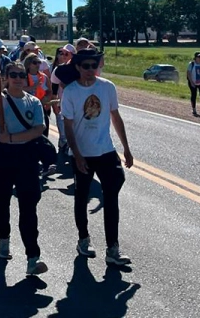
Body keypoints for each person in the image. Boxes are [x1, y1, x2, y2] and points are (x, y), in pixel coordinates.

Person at [61, 48, 133, 266]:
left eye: (95, 65)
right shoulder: (71, 92)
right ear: (78, 67)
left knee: (112, 196)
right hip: (82, 154)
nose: (91, 70)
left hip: (105, 151)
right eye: (86, 66)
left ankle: (113, 248)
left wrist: (126, 148)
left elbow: (115, 116)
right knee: (82, 196)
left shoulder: (107, 87)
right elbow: (68, 126)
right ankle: (83, 239)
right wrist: (78, 154)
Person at [0, 50, 49, 276]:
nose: (18, 79)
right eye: (13, 75)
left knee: (28, 207)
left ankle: (32, 256)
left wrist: (12, 138)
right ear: (6, 77)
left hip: (26, 157)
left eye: (21, 75)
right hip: (2, 156)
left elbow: (38, 129)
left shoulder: (34, 102)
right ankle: (3, 239)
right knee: (1, 201)